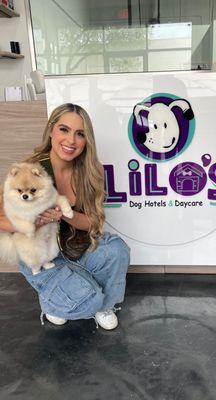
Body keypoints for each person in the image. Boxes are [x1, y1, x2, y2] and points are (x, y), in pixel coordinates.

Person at [0, 103, 130, 330]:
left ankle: (102, 304)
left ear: (86, 140)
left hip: (76, 246)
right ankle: (54, 302)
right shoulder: (29, 171)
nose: (71, 141)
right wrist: (31, 222)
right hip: (41, 257)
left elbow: (93, 222)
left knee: (116, 250)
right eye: (64, 130)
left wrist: (63, 215)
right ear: (51, 130)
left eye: (80, 134)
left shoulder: (92, 171)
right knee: (89, 298)